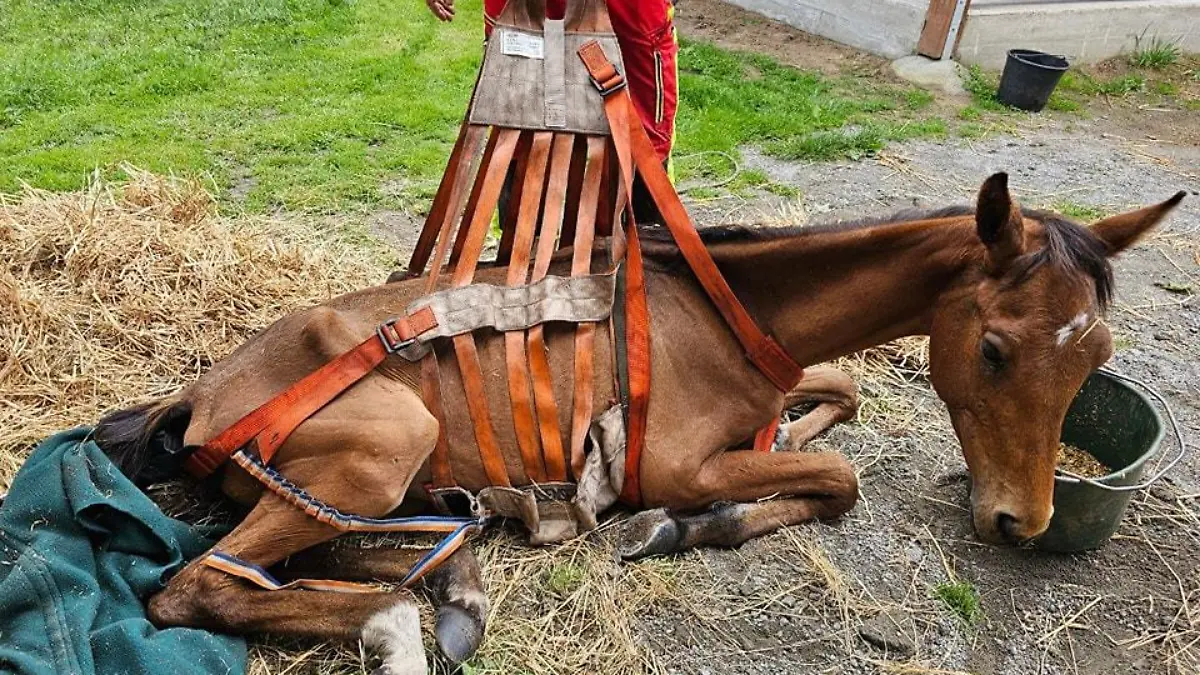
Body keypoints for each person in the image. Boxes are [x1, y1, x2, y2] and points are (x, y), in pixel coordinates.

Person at [424, 0, 678, 222]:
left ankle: (645, 253)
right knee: (517, 117)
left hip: (629, 13)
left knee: (642, 137)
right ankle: (521, 258)